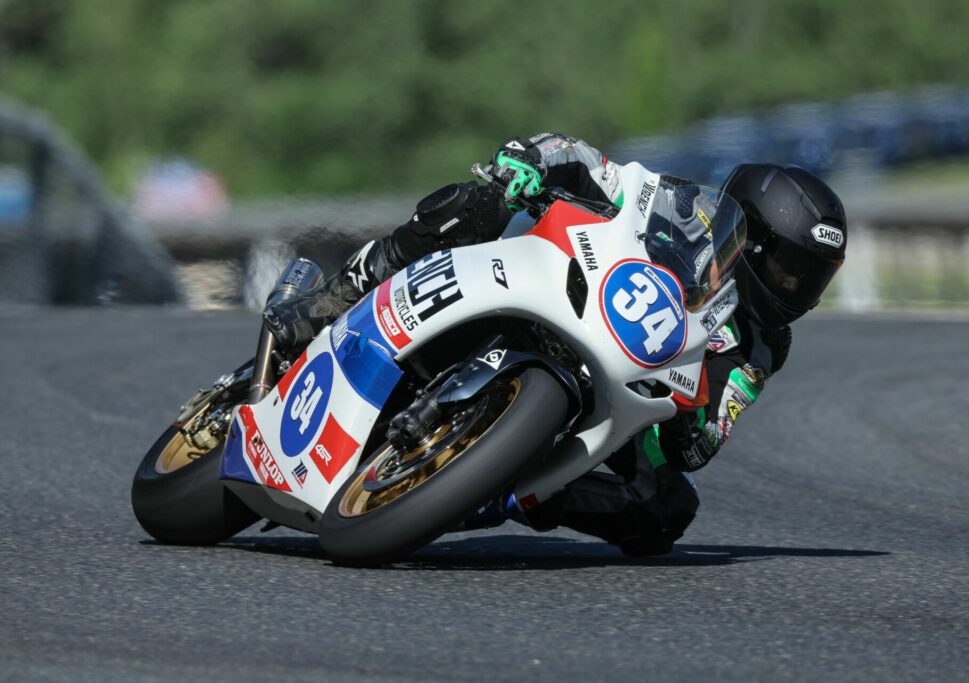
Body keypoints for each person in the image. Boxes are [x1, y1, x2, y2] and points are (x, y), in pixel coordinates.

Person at [263, 133, 848, 556]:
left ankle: (515, 486)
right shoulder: (677, 205)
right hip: (555, 277)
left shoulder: (765, 345)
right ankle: (330, 301)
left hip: (620, 387)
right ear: (750, 236)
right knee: (477, 204)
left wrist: (692, 421)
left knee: (667, 510)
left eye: (812, 276)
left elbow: (705, 437)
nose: (795, 288)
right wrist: (531, 160)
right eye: (791, 268)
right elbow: (594, 164)